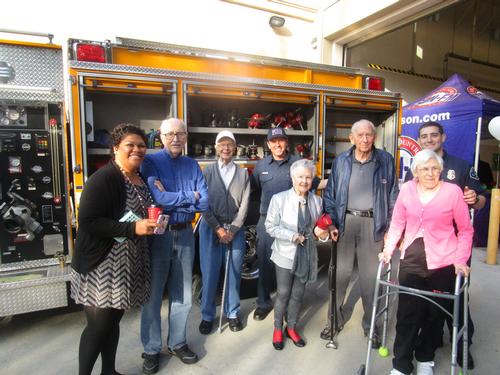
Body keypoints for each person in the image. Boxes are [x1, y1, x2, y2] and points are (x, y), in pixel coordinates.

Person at [71, 123, 158, 375]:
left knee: (113, 322)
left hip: (126, 264)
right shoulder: (104, 178)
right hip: (101, 267)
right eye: (130, 144)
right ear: (116, 147)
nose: (137, 149)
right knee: (97, 328)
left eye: (141, 145)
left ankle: (109, 371)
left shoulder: (138, 177)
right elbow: (87, 222)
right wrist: (133, 229)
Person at [380, 149, 473, 375]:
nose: (430, 173)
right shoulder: (408, 190)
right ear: (416, 172)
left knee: (434, 315)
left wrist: (460, 260)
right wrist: (387, 250)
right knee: (407, 314)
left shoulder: (453, 192)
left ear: (441, 170)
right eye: (424, 169)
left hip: (443, 261)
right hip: (412, 258)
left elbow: (466, 230)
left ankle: (425, 358)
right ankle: (401, 364)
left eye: (434, 168)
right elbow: (397, 224)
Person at [405, 121, 485, 369]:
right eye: (424, 136)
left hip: (454, 248)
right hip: (426, 249)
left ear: (443, 136)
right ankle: (432, 338)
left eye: (433, 135)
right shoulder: (416, 169)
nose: (429, 139)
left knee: (456, 299)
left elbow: (481, 199)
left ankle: (462, 347)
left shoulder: (461, 166)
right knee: (427, 298)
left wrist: (475, 198)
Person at [140, 118, 208, 375]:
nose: (176, 138)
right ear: (160, 136)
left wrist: (177, 200)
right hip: (159, 235)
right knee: (153, 296)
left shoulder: (192, 165)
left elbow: (204, 203)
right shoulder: (151, 162)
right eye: (170, 134)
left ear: (187, 136)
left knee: (183, 295)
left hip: (185, 234)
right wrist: (190, 196)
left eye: (180, 134)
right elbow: (158, 198)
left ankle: (177, 342)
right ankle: (151, 348)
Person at [322, 119, 398, 348]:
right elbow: (330, 195)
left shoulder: (385, 160)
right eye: (360, 135)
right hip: (345, 222)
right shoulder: (341, 161)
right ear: (351, 138)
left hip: (373, 224)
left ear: (374, 137)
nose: (365, 139)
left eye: (369, 135)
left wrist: (390, 229)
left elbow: (394, 196)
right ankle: (333, 321)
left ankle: (371, 327)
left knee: (370, 280)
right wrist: (332, 223)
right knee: (340, 276)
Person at [251, 127, 322, 321]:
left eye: (281, 140)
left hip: (295, 223)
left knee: (294, 263)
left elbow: (313, 184)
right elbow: (254, 190)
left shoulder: (298, 164)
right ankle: (263, 303)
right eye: (273, 141)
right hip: (268, 221)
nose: (277, 145)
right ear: (268, 144)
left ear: (286, 143)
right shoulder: (261, 165)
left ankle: (289, 303)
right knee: (265, 264)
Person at [265, 159, 329, 350]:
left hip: (306, 255)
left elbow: (318, 229)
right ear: (292, 178)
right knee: (283, 293)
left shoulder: (317, 201)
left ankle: (291, 327)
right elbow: (270, 226)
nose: (304, 181)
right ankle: (278, 328)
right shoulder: (279, 199)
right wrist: (291, 236)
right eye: (300, 177)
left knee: (298, 294)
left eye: (308, 177)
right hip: (285, 253)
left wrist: (322, 234)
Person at [198, 130, 251, 334]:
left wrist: (234, 229)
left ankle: (232, 313)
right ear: (216, 147)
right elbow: (202, 204)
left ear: (235, 147)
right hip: (211, 228)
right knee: (209, 272)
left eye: (230, 144)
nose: (226, 148)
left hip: (235, 230)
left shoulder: (243, 173)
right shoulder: (207, 172)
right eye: (222, 144)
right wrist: (218, 228)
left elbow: (245, 205)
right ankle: (207, 315)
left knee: (234, 272)